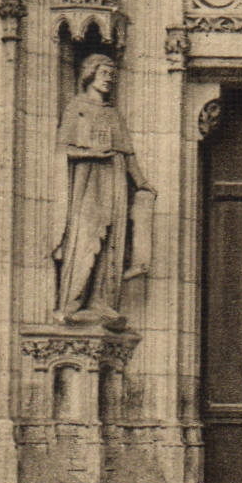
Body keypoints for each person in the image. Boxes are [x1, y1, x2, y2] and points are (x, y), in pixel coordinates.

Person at [52, 54, 154, 327]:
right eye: (104, 73)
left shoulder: (112, 113)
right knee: (86, 236)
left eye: (112, 75)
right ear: (90, 73)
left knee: (112, 240)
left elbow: (128, 154)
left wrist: (143, 183)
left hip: (115, 180)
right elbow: (63, 150)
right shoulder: (77, 107)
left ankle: (102, 301)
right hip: (89, 182)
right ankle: (71, 303)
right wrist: (93, 154)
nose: (109, 79)